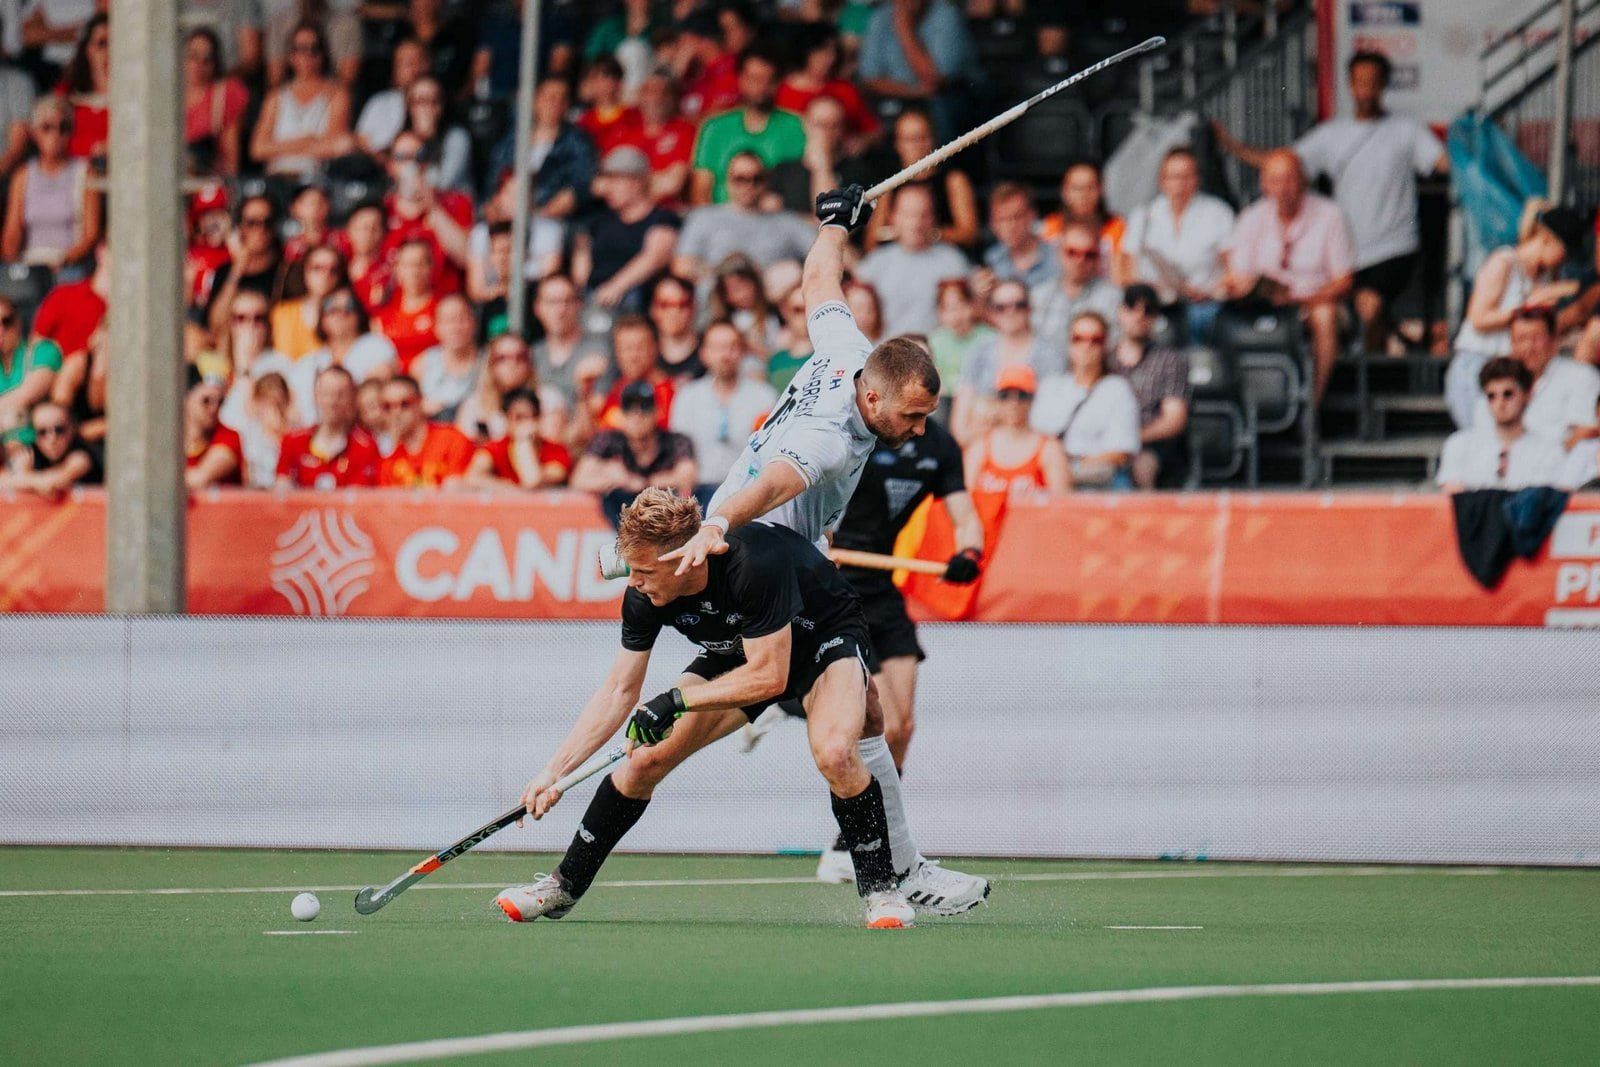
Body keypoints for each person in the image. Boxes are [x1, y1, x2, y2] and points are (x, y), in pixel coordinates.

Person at [661, 184, 989, 914]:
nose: (918, 429)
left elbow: (818, 280)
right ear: (874, 401)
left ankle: (900, 867)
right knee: (823, 729)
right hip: (769, 564)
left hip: (770, 556)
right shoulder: (834, 435)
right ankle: (893, 872)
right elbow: (781, 478)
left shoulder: (848, 351)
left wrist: (835, 224)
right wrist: (719, 523)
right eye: (912, 416)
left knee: (866, 714)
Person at [495, 489, 918, 929]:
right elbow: (619, 690)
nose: (634, 581)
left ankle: (882, 890)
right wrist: (554, 773)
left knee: (835, 753)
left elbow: (770, 677)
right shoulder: (644, 593)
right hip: (740, 649)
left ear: (687, 559)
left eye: (644, 571)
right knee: (643, 761)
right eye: (631, 569)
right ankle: (564, 886)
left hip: (822, 640)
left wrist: (675, 701)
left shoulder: (753, 564)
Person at [805, 410, 983, 882]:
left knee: (902, 728)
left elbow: (965, 515)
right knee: (880, 721)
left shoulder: (938, 446)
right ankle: (851, 845)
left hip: (883, 589)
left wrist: (970, 551)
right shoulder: (855, 432)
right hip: (839, 584)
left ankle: (858, 840)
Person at [1216, 52, 1447, 352]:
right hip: (1349, 247)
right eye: (1360, 82)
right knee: (1357, 315)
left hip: (1393, 245)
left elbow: (1444, 163)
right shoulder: (1331, 134)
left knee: (1370, 306)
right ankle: (1388, 351)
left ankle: (1375, 371)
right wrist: (1232, 146)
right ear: (1350, 85)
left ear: (1383, 85)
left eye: (1373, 82)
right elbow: (1282, 163)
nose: (1366, 90)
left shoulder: (1407, 129)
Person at [1220, 149, 1355, 404]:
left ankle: (1311, 407)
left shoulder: (1330, 215)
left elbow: (1344, 280)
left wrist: (1302, 299)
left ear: (1303, 180)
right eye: (1275, 180)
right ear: (1264, 184)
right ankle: (1245, 404)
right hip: (1266, 303)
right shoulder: (1252, 217)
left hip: (1314, 301)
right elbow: (1240, 274)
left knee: (1325, 315)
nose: (1283, 188)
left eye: (1289, 179)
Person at [1445, 201, 1583, 430]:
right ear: (1547, 240)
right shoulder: (1504, 262)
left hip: (1512, 374)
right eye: (1564, 252)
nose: (1564, 260)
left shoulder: (1544, 278)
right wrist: (1526, 308)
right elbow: (1478, 318)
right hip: (1478, 365)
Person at [1117, 146, 1234, 343]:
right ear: (1162, 180)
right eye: (1173, 177)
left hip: (1206, 306)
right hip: (1156, 306)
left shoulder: (1218, 213)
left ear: (1197, 179)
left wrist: (1211, 290)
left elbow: (1236, 268)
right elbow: (1124, 268)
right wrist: (1147, 288)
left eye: (1186, 176)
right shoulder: (1143, 215)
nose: (1180, 183)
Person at [1031, 311, 1141, 489]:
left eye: (1095, 340)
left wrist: (1068, 468)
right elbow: (1033, 437)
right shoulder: (1050, 387)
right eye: (1078, 339)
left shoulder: (1118, 389)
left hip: (1094, 482)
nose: (1086, 346)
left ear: (1105, 345)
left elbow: (1120, 453)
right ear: (1068, 343)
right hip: (1047, 477)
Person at [670, 319, 775, 503]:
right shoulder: (687, 397)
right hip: (699, 491)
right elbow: (679, 449)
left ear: (742, 351)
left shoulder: (764, 396)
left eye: (732, 347)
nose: (725, 355)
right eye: (718, 348)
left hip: (748, 491)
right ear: (703, 353)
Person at [950, 280, 1066, 444]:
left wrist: (995, 411)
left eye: (1019, 305)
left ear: (1030, 309)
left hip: (1032, 443)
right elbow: (960, 424)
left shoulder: (1049, 354)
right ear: (991, 312)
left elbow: (1051, 415)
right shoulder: (979, 352)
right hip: (982, 444)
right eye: (1001, 307)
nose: (1010, 312)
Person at [674, 150, 815, 284]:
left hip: (769, 296)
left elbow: (821, 249)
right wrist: (730, 278)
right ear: (727, 181)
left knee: (791, 271)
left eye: (756, 179)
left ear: (766, 182)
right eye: (740, 179)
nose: (748, 185)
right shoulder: (704, 217)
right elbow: (682, 265)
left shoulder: (786, 222)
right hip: (717, 295)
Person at [689, 43, 805, 205]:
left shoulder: (798, 127)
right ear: (741, 79)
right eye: (754, 79)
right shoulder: (714, 127)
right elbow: (700, 192)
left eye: (769, 80)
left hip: (776, 216)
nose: (761, 88)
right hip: (722, 215)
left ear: (779, 82)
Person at [571, 380, 697, 526]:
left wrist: (641, 483)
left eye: (644, 407)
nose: (636, 416)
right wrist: (616, 478)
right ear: (621, 414)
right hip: (620, 521)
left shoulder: (676, 441)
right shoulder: (608, 440)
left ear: (657, 412)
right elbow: (579, 479)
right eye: (629, 409)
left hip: (666, 520)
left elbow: (687, 477)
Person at [1472, 306, 1600, 448]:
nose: (1529, 347)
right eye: (1521, 339)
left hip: (1563, 459)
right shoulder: (1497, 385)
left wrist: (1543, 458)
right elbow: (1483, 440)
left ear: (1553, 340)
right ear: (1511, 343)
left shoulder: (1582, 377)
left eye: (1537, 338)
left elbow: (1586, 432)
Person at [853, 183, 970, 337]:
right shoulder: (874, 264)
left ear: (933, 218)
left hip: (935, 350)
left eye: (924, 214)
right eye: (909, 215)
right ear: (893, 217)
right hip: (884, 349)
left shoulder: (953, 261)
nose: (916, 223)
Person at [573, 146, 680, 312]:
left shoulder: (662, 219)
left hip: (636, 299)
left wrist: (616, 287)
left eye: (615, 180)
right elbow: (582, 264)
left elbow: (653, 258)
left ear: (637, 182)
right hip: (595, 298)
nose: (608, 187)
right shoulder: (599, 221)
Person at [1436, 357, 1566, 493]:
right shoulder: (1459, 445)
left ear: (1527, 394)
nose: (1500, 403)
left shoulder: (1547, 450)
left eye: (1508, 394)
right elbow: (1454, 495)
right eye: (1491, 396)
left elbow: (1541, 499)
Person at [857, 0, 977, 141]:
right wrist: (914, 92)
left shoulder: (946, 14)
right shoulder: (881, 16)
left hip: (941, 98)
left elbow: (936, 79)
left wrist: (905, 30)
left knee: (939, 106)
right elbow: (869, 78)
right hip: (899, 95)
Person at [1, 96, 98, 269]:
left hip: (70, 264)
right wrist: (11, 263)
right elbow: (12, 231)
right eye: (47, 127)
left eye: (64, 127)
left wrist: (64, 260)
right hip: (31, 264)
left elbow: (91, 234)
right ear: (34, 132)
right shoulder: (23, 176)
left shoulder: (85, 173)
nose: (55, 134)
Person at [1109, 285, 1192, 489]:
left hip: (1150, 446)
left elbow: (1174, 420)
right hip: (1103, 442)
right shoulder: (1105, 359)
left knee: (1143, 466)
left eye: (1148, 310)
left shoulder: (1170, 361)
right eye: (1132, 307)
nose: (1139, 316)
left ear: (1156, 317)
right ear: (1120, 312)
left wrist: (1131, 438)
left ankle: (1148, 510)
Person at [249, 22, 352, 182]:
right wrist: (304, 142)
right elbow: (257, 149)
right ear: (291, 55)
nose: (307, 55)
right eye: (300, 48)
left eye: (314, 49)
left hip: (316, 179)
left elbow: (334, 146)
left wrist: (278, 147)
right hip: (278, 176)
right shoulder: (276, 97)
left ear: (323, 54)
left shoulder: (337, 94)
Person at [865, 108, 979, 251]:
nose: (916, 145)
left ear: (933, 139)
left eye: (921, 137)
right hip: (902, 258)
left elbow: (970, 234)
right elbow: (871, 242)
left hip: (944, 256)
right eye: (908, 139)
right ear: (897, 144)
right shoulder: (889, 186)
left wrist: (927, 234)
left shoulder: (953, 180)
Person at [963, 364, 1072, 509]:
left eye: (1022, 396)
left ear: (1032, 400)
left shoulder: (1050, 449)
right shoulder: (979, 447)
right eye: (1005, 395)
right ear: (996, 399)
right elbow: (965, 503)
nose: (1013, 403)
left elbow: (1062, 505)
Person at [288, 286, 399, 425]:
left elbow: (373, 397)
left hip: (363, 429)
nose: (340, 313)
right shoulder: (308, 362)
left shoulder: (376, 345)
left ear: (359, 315)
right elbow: (293, 408)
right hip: (315, 433)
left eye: (348, 308)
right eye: (331, 308)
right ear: (322, 318)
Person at [275, 365, 382, 488]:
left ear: (352, 398)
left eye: (340, 394)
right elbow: (282, 490)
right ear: (316, 395)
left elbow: (360, 495)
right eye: (326, 393)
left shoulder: (365, 447)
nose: (332, 401)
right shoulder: (293, 442)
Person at [1031, 220, 1124, 354]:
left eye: (1089, 254)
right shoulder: (1038, 295)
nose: (1080, 260)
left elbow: (1114, 346)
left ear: (1099, 257)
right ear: (1059, 253)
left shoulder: (1114, 298)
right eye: (1072, 252)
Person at [377, 374, 475, 488]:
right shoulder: (389, 463)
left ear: (420, 402)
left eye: (405, 404)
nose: (395, 412)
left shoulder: (452, 439)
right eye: (387, 406)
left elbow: (460, 489)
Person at [464, 388, 573, 490]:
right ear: (507, 420)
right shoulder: (495, 449)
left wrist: (523, 442)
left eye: (528, 417)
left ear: (538, 419)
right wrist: (511, 490)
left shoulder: (556, 451)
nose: (523, 424)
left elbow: (532, 481)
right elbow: (472, 477)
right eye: (518, 418)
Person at [182, 27, 249, 177]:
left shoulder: (225, 93)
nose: (199, 64)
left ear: (216, 62)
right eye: (193, 56)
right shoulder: (170, 96)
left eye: (207, 58)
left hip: (208, 178)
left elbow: (231, 160)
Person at [975, 181, 1058, 298]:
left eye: (1017, 217)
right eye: (1002, 219)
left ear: (1032, 216)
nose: (1011, 226)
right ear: (992, 223)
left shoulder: (1058, 256)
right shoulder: (990, 260)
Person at [1, 399, 100, 494]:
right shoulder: (29, 453)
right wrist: (25, 477)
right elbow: (4, 481)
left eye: (59, 430)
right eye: (42, 432)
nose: (52, 438)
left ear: (72, 429)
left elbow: (54, 482)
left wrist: (25, 476)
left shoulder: (81, 456)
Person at [0, 298, 61, 453]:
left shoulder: (42, 350)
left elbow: (25, 396)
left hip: (39, 448)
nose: (1, 330)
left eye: (6, 322)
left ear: (18, 322)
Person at [595, 314, 676, 429]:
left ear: (656, 348)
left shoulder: (672, 394)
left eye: (640, 348)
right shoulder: (617, 389)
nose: (633, 357)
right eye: (626, 348)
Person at [411, 293, 482, 423]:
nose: (456, 328)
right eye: (449, 321)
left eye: (462, 319)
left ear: (474, 323)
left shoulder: (488, 362)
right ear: (436, 327)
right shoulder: (421, 365)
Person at [354, 36, 429, 158]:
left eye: (415, 60)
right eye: (403, 63)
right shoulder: (380, 102)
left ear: (427, 64)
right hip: (374, 165)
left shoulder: (436, 103)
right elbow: (360, 141)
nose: (411, 68)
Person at [927, 277, 993, 414]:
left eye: (960, 306)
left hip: (980, 403)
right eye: (948, 309)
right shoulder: (935, 341)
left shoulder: (989, 338)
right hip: (945, 404)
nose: (955, 315)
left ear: (971, 305)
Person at [270, 244, 347, 361]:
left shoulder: (345, 315)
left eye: (333, 269)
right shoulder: (283, 313)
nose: (326, 275)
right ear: (304, 270)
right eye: (318, 268)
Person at [375, 238, 441, 374]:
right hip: (393, 382)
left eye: (420, 264)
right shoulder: (384, 311)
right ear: (397, 269)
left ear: (431, 267)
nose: (414, 271)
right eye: (407, 265)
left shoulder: (443, 308)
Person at [1041, 162, 1123, 267]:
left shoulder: (1117, 227)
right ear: (1065, 191)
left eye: (1090, 187)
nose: (1084, 194)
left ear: (1101, 190)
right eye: (1077, 188)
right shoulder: (1050, 227)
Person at [399, 75, 472, 194]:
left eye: (433, 101)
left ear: (441, 106)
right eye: (420, 101)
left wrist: (426, 139)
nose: (427, 107)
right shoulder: (404, 139)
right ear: (409, 106)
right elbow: (397, 177)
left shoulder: (456, 137)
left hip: (449, 201)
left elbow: (444, 183)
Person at [184, 366, 244, 490]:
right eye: (206, 401)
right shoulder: (170, 438)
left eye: (220, 402)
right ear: (186, 399)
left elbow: (199, 479)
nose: (214, 408)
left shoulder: (229, 437)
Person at [233, 372, 294, 490]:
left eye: (278, 403)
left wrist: (279, 434)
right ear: (257, 402)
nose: (274, 410)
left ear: (287, 401)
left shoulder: (295, 434)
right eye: (268, 403)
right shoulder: (248, 434)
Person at [649, 274, 705, 384]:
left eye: (683, 304)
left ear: (694, 307)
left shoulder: (710, 349)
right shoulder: (644, 353)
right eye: (664, 304)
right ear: (653, 309)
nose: (674, 312)